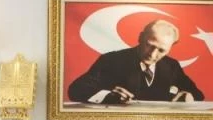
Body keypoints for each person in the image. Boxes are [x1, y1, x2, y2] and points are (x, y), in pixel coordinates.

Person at [67, 20, 205, 105]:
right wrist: (108, 96)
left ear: (170, 48)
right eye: (149, 45)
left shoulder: (171, 66)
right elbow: (75, 90)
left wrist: (189, 96)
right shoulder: (111, 60)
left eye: (161, 50)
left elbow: (198, 95)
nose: (152, 54)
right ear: (140, 37)